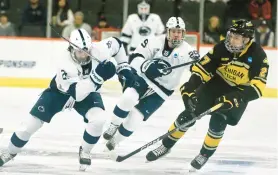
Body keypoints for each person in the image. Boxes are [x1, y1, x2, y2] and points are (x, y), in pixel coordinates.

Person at [0, 29, 134, 171]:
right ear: (71, 48)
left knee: (99, 120)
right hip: (60, 93)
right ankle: (10, 151)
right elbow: (77, 95)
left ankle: (86, 151)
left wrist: (123, 67)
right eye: (79, 52)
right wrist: (98, 77)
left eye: (86, 51)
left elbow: (118, 44)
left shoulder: (99, 49)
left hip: (88, 91)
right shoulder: (64, 62)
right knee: (29, 125)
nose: (83, 55)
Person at [146, 19, 269, 173]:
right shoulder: (222, 48)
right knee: (189, 112)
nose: (231, 40)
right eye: (231, 36)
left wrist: (236, 98)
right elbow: (203, 68)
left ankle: (205, 154)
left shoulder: (258, 56)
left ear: (247, 40)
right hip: (216, 83)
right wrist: (190, 86)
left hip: (239, 91)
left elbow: (258, 88)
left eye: (236, 38)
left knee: (219, 120)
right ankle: (166, 145)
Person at [102, 17, 200, 152]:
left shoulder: (188, 51)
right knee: (128, 97)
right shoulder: (155, 41)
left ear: (183, 33)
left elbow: (197, 70)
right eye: (173, 31)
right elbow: (136, 56)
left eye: (179, 31)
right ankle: (114, 124)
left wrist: (198, 64)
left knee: (135, 118)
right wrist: (147, 66)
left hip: (162, 91)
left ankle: (115, 140)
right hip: (145, 79)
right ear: (167, 31)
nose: (177, 34)